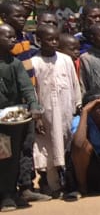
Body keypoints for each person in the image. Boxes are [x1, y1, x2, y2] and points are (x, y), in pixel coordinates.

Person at [31, 24, 80, 196]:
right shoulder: (34, 63)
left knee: (65, 145)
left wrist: (77, 106)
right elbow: (33, 91)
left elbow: (75, 85)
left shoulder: (66, 60)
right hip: (46, 114)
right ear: (38, 41)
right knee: (46, 148)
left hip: (66, 111)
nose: (53, 43)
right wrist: (36, 116)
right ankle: (48, 184)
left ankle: (66, 181)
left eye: (56, 40)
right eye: (49, 40)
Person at [0, 23, 44, 211]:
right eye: (8, 37)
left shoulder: (15, 63)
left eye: (14, 37)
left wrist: (34, 106)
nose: (13, 40)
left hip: (11, 118)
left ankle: (9, 193)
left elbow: (26, 86)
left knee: (12, 156)